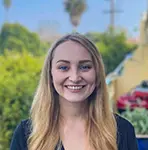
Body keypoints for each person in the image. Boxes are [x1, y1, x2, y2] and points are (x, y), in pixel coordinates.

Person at [10, 33, 138, 150]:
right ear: (50, 73)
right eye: (64, 67)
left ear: (97, 73)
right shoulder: (26, 134)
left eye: (85, 67)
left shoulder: (123, 131)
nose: (75, 77)